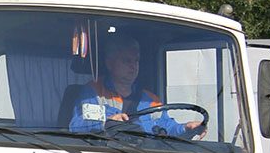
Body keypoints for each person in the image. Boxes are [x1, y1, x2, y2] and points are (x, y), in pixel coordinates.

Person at [68, 34, 203, 137]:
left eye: (136, 61)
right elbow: (76, 125)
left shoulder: (151, 100)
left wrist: (186, 127)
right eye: (127, 61)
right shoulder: (93, 92)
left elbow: (166, 127)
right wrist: (106, 124)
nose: (133, 66)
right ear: (110, 64)